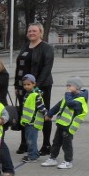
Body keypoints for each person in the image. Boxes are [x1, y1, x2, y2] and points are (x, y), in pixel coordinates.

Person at [14, 22, 54, 155]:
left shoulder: (46, 48)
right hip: (24, 87)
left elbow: (46, 68)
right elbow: (19, 68)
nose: (31, 33)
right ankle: (25, 143)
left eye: (34, 31)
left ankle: (46, 144)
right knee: (25, 114)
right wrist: (17, 85)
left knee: (43, 113)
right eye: (29, 31)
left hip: (41, 87)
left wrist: (37, 86)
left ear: (40, 33)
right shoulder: (25, 46)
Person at [41, 77, 89, 170]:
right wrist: (49, 114)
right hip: (61, 124)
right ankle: (52, 158)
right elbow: (58, 105)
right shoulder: (69, 97)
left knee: (67, 144)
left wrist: (67, 94)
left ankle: (68, 161)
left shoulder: (80, 100)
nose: (67, 87)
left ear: (77, 87)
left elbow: (70, 104)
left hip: (69, 126)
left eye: (70, 85)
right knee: (56, 142)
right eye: (67, 85)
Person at [19, 74, 47, 162]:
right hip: (28, 121)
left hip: (33, 122)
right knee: (29, 139)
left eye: (28, 84)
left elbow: (41, 106)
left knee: (31, 140)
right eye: (24, 85)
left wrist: (46, 114)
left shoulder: (35, 95)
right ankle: (34, 153)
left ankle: (33, 156)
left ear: (34, 84)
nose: (26, 86)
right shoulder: (28, 94)